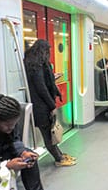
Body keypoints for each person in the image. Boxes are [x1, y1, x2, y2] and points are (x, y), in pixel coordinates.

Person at [0, 93, 44, 190]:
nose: (12, 128)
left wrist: (22, 152)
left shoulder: (7, 115)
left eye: (14, 124)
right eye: (8, 125)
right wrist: (3, 165)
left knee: (29, 159)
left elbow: (14, 139)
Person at [24, 39, 75, 167]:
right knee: (48, 134)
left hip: (41, 104)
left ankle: (60, 154)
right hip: (41, 106)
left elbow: (44, 83)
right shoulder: (36, 67)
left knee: (51, 133)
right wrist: (52, 105)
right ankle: (58, 159)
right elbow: (41, 88)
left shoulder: (36, 64)